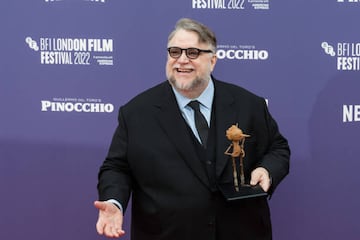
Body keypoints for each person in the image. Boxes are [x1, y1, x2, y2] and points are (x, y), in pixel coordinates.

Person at [94, 18, 290, 240]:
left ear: (213, 60)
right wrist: (114, 201)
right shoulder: (136, 113)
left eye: (193, 53)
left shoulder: (249, 105)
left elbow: (278, 148)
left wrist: (267, 170)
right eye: (175, 52)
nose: (182, 60)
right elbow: (117, 167)